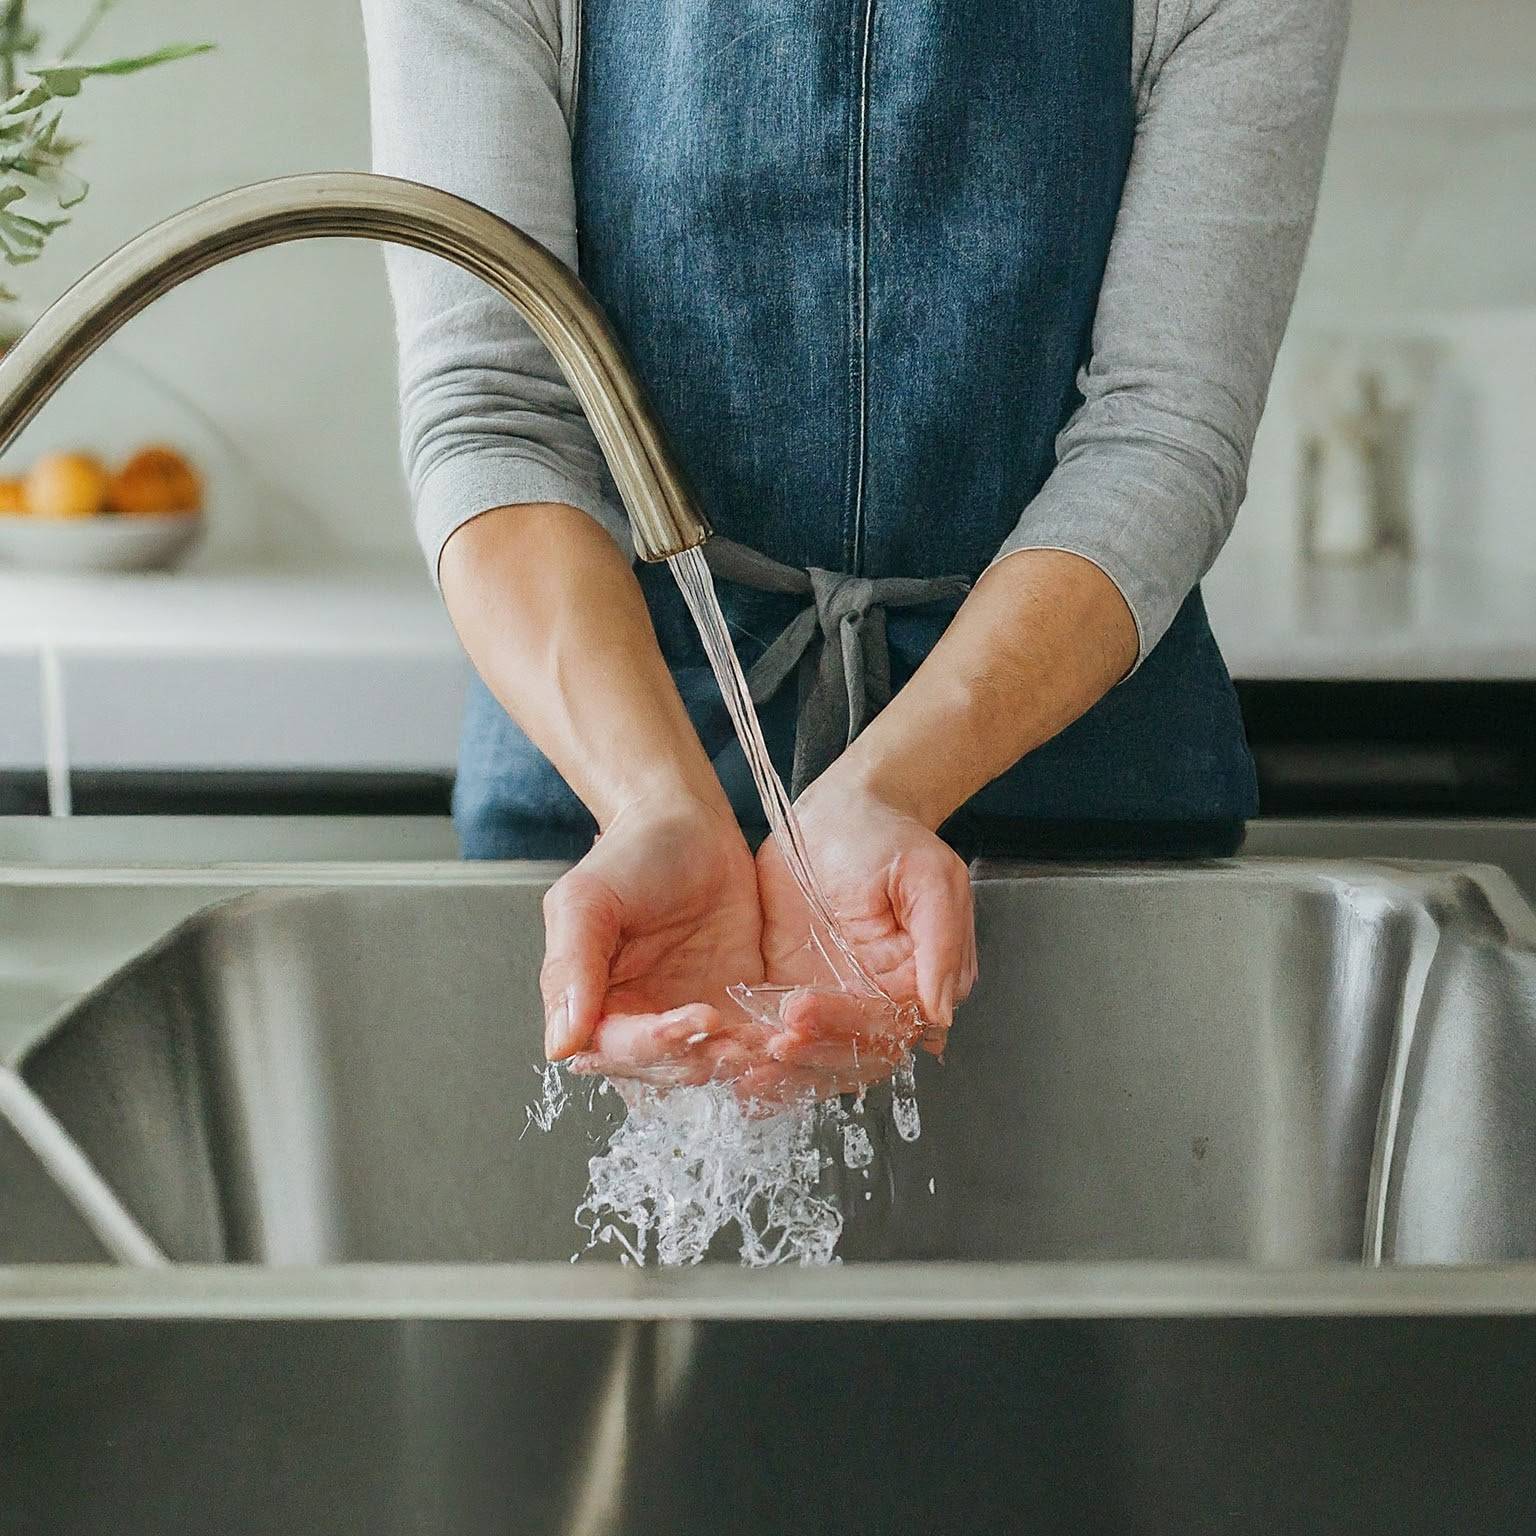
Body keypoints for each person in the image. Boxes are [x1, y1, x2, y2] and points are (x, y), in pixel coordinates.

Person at [362, 0, 1348, 1098]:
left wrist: (893, 785)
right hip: (604, 822)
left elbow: (1164, 431)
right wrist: (652, 804)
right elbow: (495, 410)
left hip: (1071, 799)